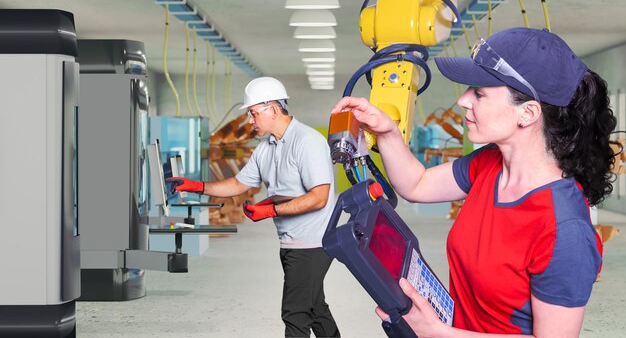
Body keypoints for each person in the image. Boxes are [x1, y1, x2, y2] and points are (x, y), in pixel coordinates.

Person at [332, 27, 615, 337]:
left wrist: (437, 333)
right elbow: (418, 184)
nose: (463, 100)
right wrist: (387, 131)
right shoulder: (490, 165)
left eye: (479, 92)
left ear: (528, 113)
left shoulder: (564, 230)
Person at [169, 76, 340, 338]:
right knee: (314, 307)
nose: (250, 121)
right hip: (291, 243)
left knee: (294, 313)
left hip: (313, 244)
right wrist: (197, 186)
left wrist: (271, 210)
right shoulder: (265, 149)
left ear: (272, 109)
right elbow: (238, 183)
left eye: (253, 113)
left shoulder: (307, 141)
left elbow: (319, 197)